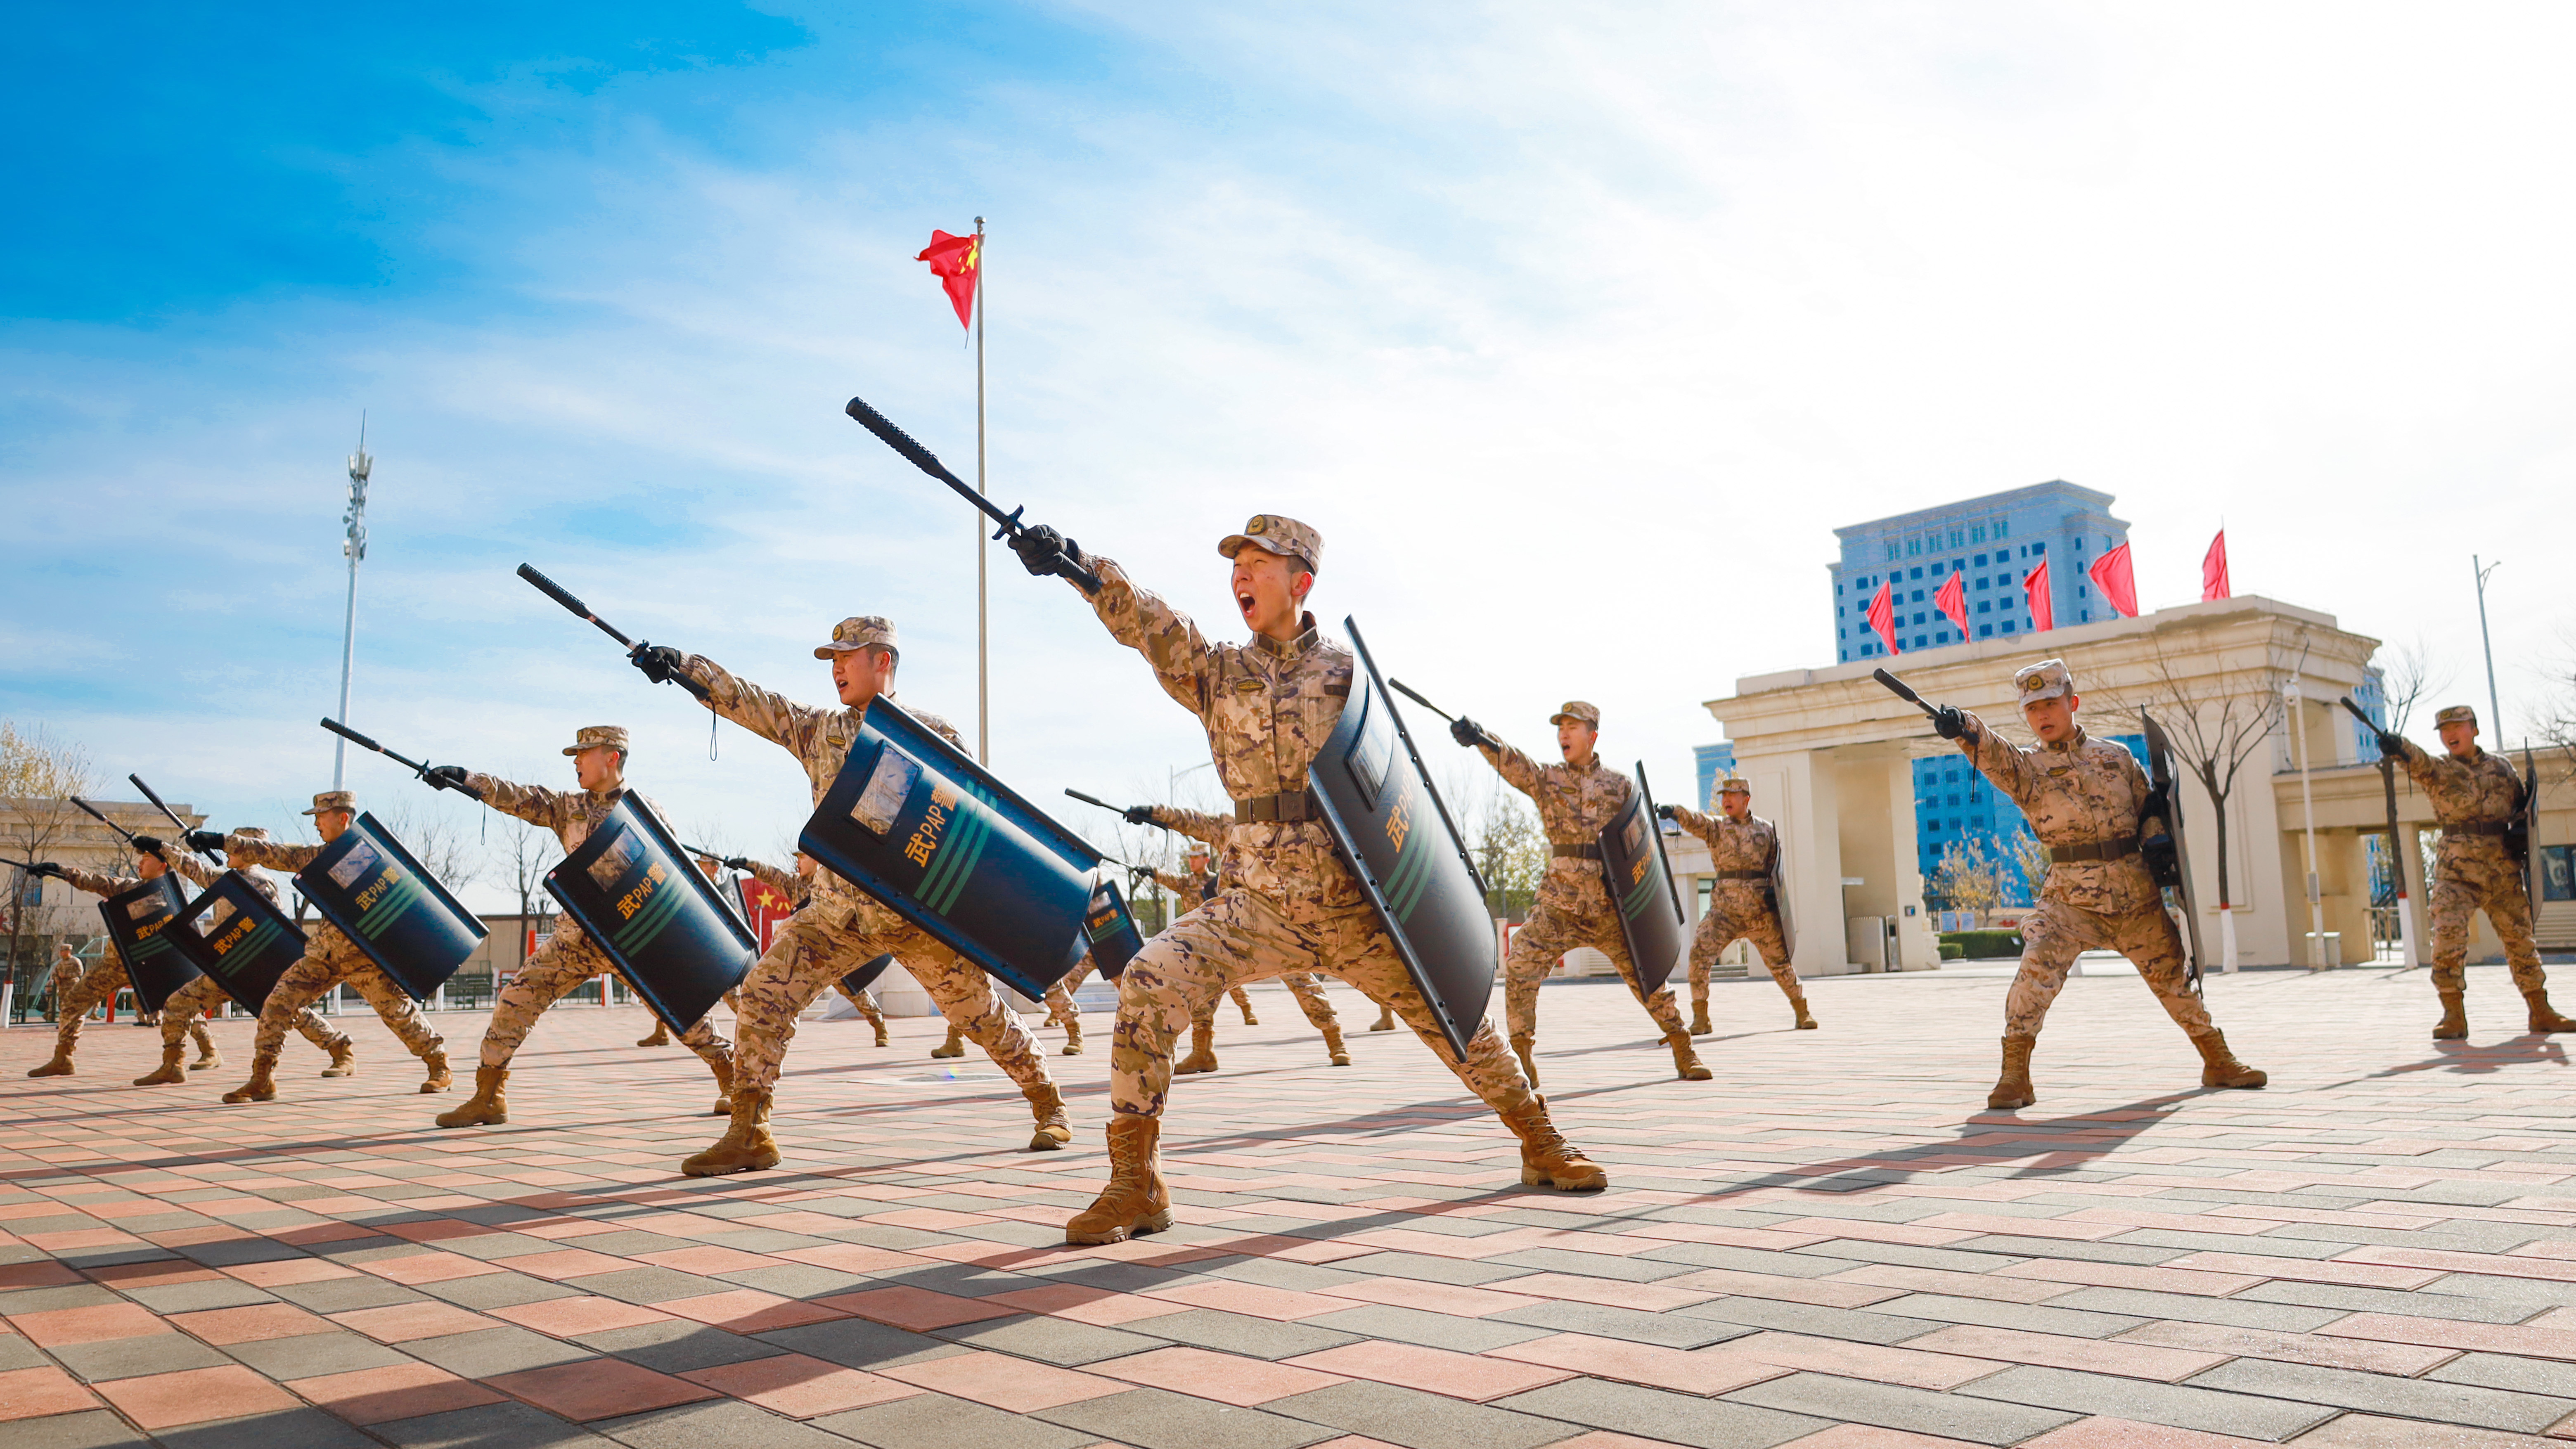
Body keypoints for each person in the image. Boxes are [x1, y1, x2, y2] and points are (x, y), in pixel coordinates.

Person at [1007, 511, 1605, 1245]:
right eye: (1235, 566)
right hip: (1257, 903)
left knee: (1461, 1018)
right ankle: (1137, 1183)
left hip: (1361, 906)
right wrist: (1077, 565)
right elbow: (1148, 621)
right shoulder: (1217, 670)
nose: (1239, 576)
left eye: (1256, 564)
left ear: (1302, 581)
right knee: (1147, 977)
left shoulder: (1348, 679)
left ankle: (1541, 1140)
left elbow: (1399, 797)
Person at [632, 616, 1072, 1175]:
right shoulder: (820, 730)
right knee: (766, 990)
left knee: (978, 1013)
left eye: (848, 655)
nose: (837, 667)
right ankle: (750, 1130)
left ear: (883, 660)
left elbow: (974, 832)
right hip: (837, 915)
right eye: (831, 658)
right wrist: (685, 671)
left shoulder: (933, 736)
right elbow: (755, 703)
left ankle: (1048, 1102)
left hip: (916, 917)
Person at [1934, 659, 2265, 1109]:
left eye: (2051, 704)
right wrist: (1963, 728)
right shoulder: (2026, 770)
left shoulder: (2117, 757)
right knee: (2034, 975)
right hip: (2069, 902)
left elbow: (2153, 811)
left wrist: (2162, 848)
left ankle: (2217, 1060)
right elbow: (1992, 751)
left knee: (2174, 980)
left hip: (2135, 896)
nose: (2043, 715)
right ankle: (2015, 1076)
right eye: (2033, 709)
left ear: (2072, 703)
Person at [429, 727, 737, 1127]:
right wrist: (466, 780)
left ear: (612, 756)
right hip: (575, 940)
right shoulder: (566, 807)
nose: (575, 761)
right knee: (515, 999)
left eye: (583, 753)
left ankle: (732, 1076)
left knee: (683, 1014)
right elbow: (519, 797)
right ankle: (489, 1096)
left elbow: (670, 884)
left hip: (631, 942)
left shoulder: (644, 812)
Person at [1449, 700, 1708, 1087]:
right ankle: (1522, 1056)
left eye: (1573, 727)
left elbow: (1642, 849)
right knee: (1520, 964)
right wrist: (1481, 739)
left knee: (1650, 978)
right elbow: (1516, 763)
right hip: (1559, 903)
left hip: (1611, 905)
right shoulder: (1548, 778)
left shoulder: (1620, 786)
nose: (1564, 734)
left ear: (1593, 735)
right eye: (1560, 728)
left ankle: (1684, 1047)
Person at [195, 793, 453, 1102]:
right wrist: (223, 841)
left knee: (397, 1012)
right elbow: (274, 853)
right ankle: (263, 1079)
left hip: (363, 956)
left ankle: (440, 1066)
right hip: (325, 955)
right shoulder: (319, 856)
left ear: (343, 818)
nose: (317, 823)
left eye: (322, 816)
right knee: (278, 1004)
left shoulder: (368, 854)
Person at [2377, 705, 2571, 1039]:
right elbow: (2417, 761)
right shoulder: (2439, 771)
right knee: (2448, 936)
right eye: (2444, 729)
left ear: (2474, 730)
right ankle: (2453, 1015)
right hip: (2457, 874)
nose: (2450, 733)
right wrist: (2398, 747)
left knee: (2521, 942)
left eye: (2458, 726)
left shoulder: (2502, 768)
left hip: (2503, 870)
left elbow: (2525, 812)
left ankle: (2541, 1011)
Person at [134, 829, 356, 1086]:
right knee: (178, 1004)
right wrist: (163, 848)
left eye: (236, 848)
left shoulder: (259, 882)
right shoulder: (231, 879)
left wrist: (164, 848)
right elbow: (195, 869)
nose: (229, 851)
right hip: (229, 967)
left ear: (251, 853)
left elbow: (270, 930)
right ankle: (172, 1065)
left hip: (258, 968)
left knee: (294, 1015)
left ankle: (341, 1050)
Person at [1139, 808, 1351, 1070]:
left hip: (1279, 924)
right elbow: (1195, 822)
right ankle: (1203, 1052)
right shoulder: (1232, 824)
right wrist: (1156, 814)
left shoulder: (1289, 821)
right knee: (1204, 984)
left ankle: (1336, 1042)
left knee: (1303, 982)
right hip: (1237, 925)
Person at [24, 836, 224, 1077]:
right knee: (74, 1001)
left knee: (181, 1005)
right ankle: (63, 1058)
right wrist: (59, 870)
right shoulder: (129, 888)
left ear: (163, 864)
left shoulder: (173, 897)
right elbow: (96, 881)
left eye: (147, 858)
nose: (140, 863)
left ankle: (206, 1053)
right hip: (117, 963)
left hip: (156, 963)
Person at [1662, 777, 1812, 1032]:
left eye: (1732, 794)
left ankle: (1803, 1011)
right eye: (1723, 795)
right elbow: (1695, 820)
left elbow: (1777, 872)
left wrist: (1776, 910)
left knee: (1780, 963)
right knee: (1699, 955)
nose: (1726, 800)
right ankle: (1701, 1018)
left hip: (1759, 913)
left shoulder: (1766, 830)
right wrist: (1674, 811)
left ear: (1747, 799)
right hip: (1725, 913)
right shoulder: (1716, 829)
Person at [725, 851, 891, 1048]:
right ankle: (774, 1036)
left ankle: (878, 1023)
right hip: (808, 949)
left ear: (816, 860)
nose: (798, 863)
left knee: (851, 989)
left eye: (802, 858)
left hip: (835, 946)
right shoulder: (795, 884)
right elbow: (771, 874)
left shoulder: (833, 881)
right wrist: (747, 864)